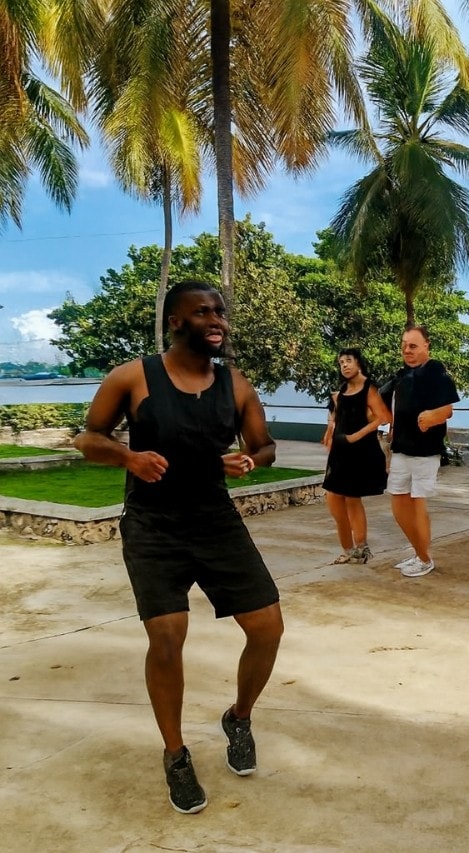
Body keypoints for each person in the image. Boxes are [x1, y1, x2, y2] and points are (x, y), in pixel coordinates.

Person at [74, 280, 284, 814]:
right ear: (175, 322)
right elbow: (88, 438)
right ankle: (175, 754)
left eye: (220, 312)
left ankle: (238, 717)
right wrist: (130, 459)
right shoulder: (132, 377)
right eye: (203, 312)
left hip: (215, 520)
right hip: (153, 526)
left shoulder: (234, 384)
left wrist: (249, 462)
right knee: (167, 640)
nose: (217, 320)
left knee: (267, 627)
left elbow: (265, 447)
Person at [384, 324, 459, 577]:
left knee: (418, 506)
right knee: (398, 505)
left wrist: (431, 416)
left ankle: (425, 559)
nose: (407, 349)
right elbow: (379, 402)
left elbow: (447, 410)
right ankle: (419, 553)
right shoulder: (400, 375)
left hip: (425, 452)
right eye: (404, 345)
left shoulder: (436, 371)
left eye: (413, 345)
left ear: (427, 346)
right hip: (401, 449)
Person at [321, 348, 393, 565]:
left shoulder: (369, 388)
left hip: (359, 452)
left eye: (348, 361)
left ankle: (360, 549)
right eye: (341, 362)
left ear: (358, 363)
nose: (344, 365)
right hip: (339, 452)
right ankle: (348, 548)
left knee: (352, 500)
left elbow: (384, 416)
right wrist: (329, 433)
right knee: (333, 501)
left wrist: (356, 436)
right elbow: (335, 417)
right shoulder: (341, 391)